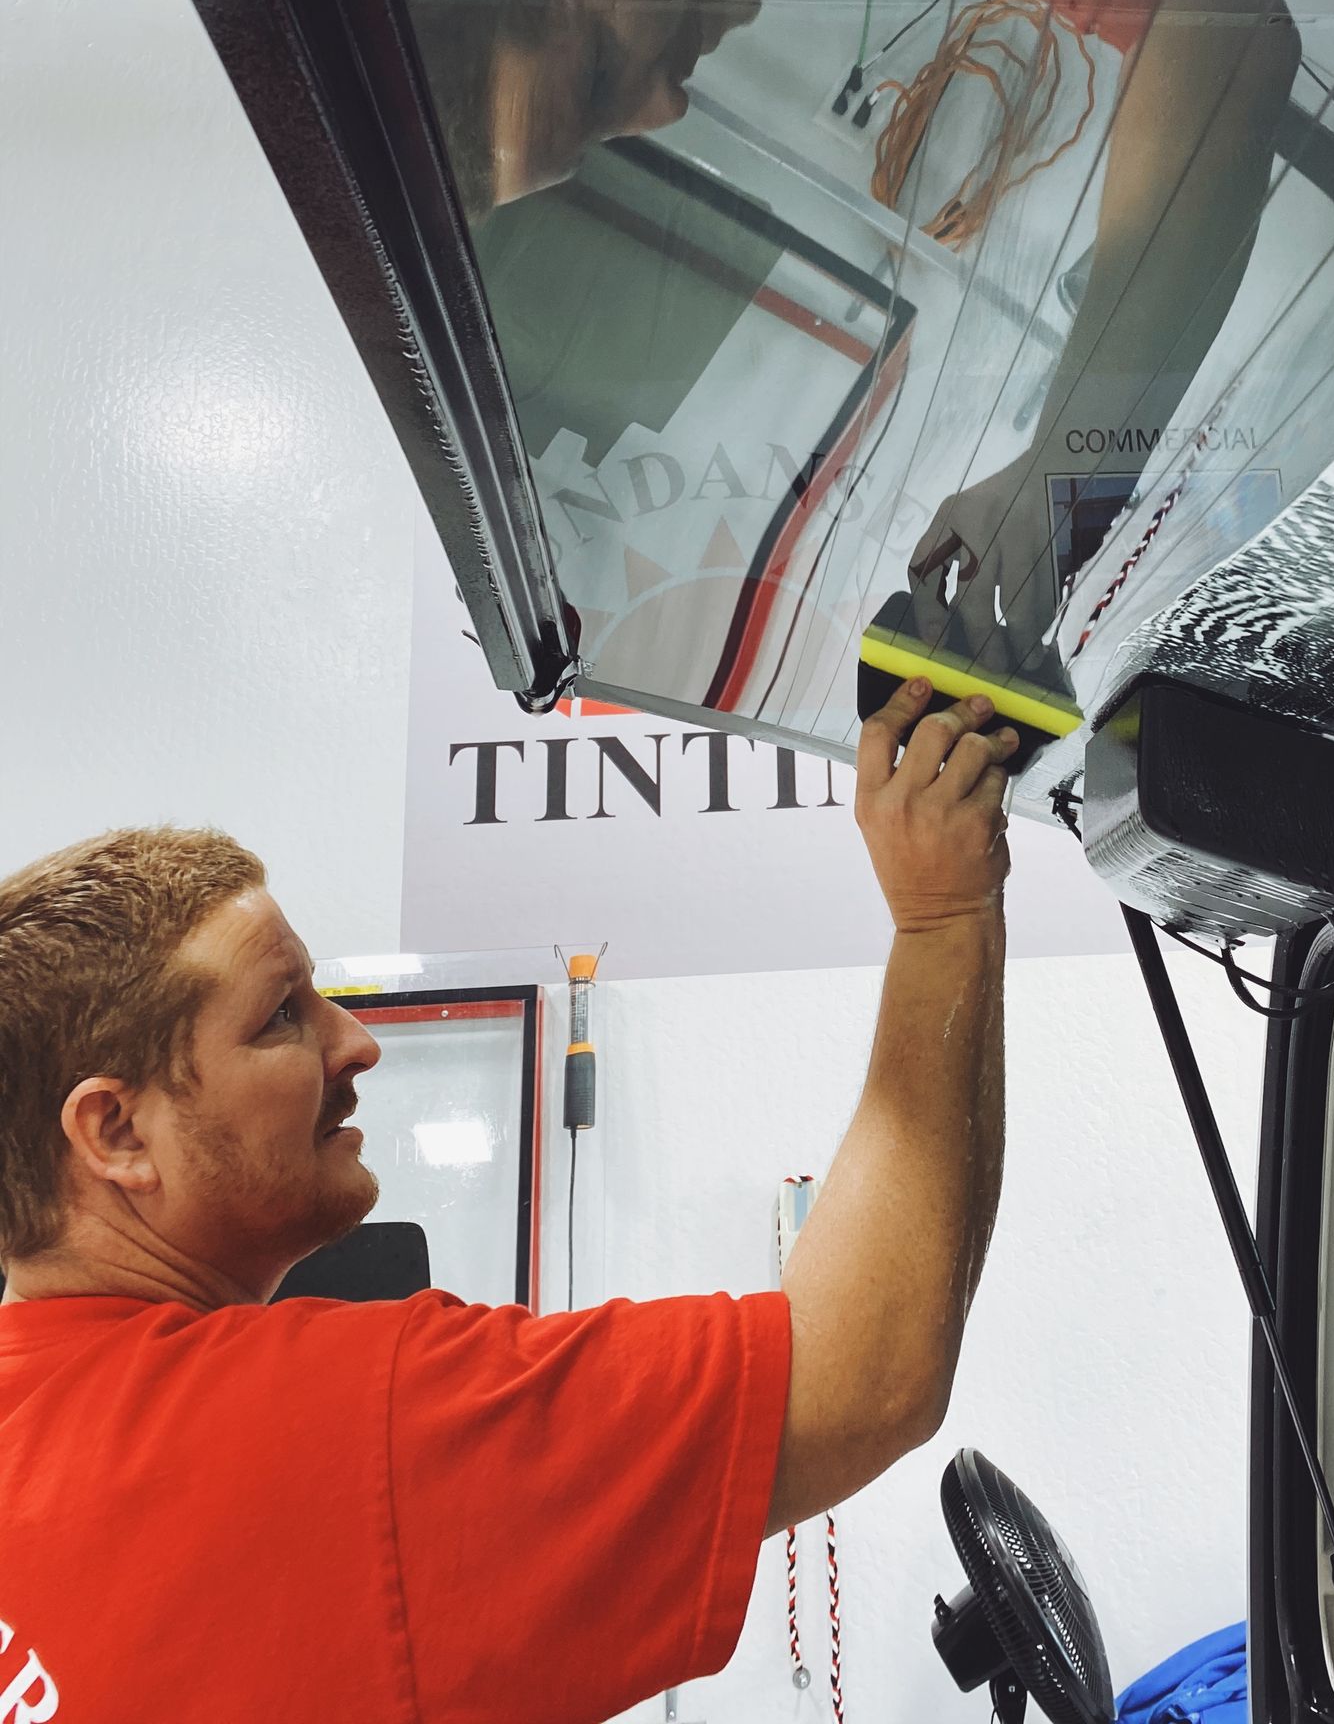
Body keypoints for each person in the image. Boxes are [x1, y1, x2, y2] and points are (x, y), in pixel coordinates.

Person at [0, 678, 1016, 1723]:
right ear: (116, 1132)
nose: (357, 1043)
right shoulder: (329, 1429)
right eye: (279, 1017)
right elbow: (863, 1372)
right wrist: (944, 919)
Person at [399, 0, 1301, 692]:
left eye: (600, 67)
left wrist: (1070, 480)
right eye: (613, 126)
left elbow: (1222, 18)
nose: (665, 109)